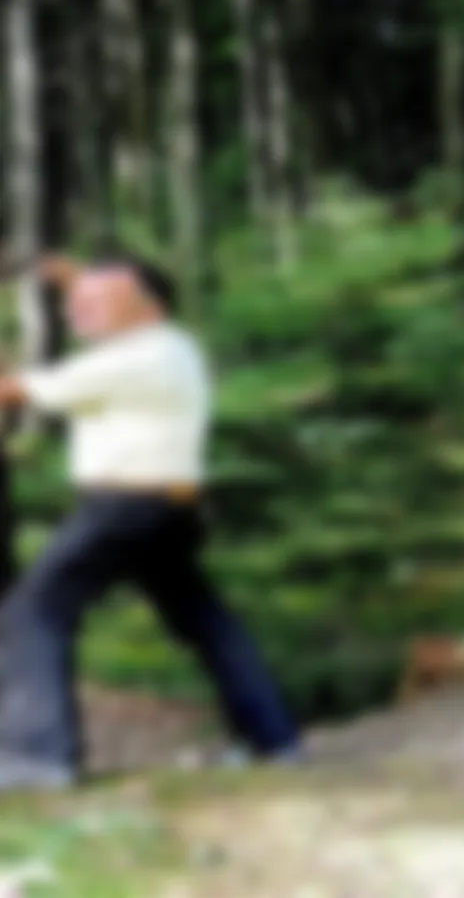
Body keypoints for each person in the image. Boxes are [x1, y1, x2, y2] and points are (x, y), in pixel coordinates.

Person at [0, 253, 301, 790]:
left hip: (124, 508)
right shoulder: (169, 349)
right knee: (206, 621)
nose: (78, 310)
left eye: (97, 302)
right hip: (168, 508)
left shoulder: (134, 357)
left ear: (147, 305)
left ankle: (36, 759)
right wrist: (67, 275)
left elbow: (16, 391)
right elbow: (103, 290)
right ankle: (274, 740)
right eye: (78, 300)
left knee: (34, 611)